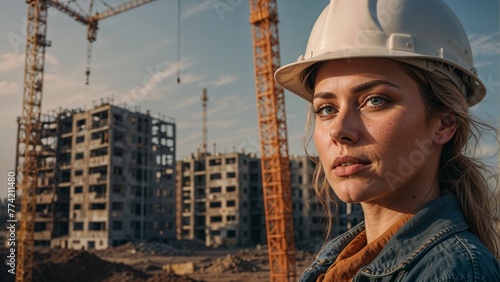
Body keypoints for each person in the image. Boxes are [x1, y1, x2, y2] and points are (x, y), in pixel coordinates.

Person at [274, 0, 500, 281]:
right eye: (327, 108)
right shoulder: (341, 262)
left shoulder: (455, 272)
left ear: (444, 123)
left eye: (375, 100)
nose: (339, 131)